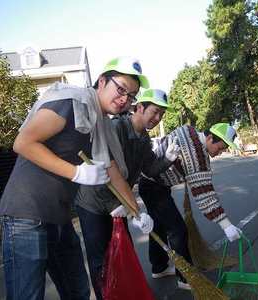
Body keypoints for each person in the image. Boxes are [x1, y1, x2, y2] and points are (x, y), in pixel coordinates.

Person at [0, 56, 153, 300]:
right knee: (26, 295)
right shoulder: (72, 103)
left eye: (131, 96)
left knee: (77, 290)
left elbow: (111, 170)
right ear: (102, 81)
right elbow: (23, 143)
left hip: (59, 218)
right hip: (25, 214)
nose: (124, 99)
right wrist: (77, 172)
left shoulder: (100, 124)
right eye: (120, 89)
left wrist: (137, 213)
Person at [75, 88, 180, 299]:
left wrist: (167, 159)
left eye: (161, 115)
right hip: (93, 203)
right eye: (155, 112)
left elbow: (149, 170)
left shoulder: (143, 139)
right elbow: (103, 167)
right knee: (101, 261)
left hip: (120, 202)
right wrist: (116, 204)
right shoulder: (115, 128)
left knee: (124, 254)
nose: (157, 118)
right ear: (140, 107)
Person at [138, 123, 242, 290]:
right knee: (178, 230)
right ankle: (185, 278)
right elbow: (205, 195)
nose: (219, 153)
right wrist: (226, 225)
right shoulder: (197, 156)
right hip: (153, 187)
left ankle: (159, 268)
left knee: (158, 227)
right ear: (209, 138)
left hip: (150, 184)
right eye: (219, 148)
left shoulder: (189, 131)